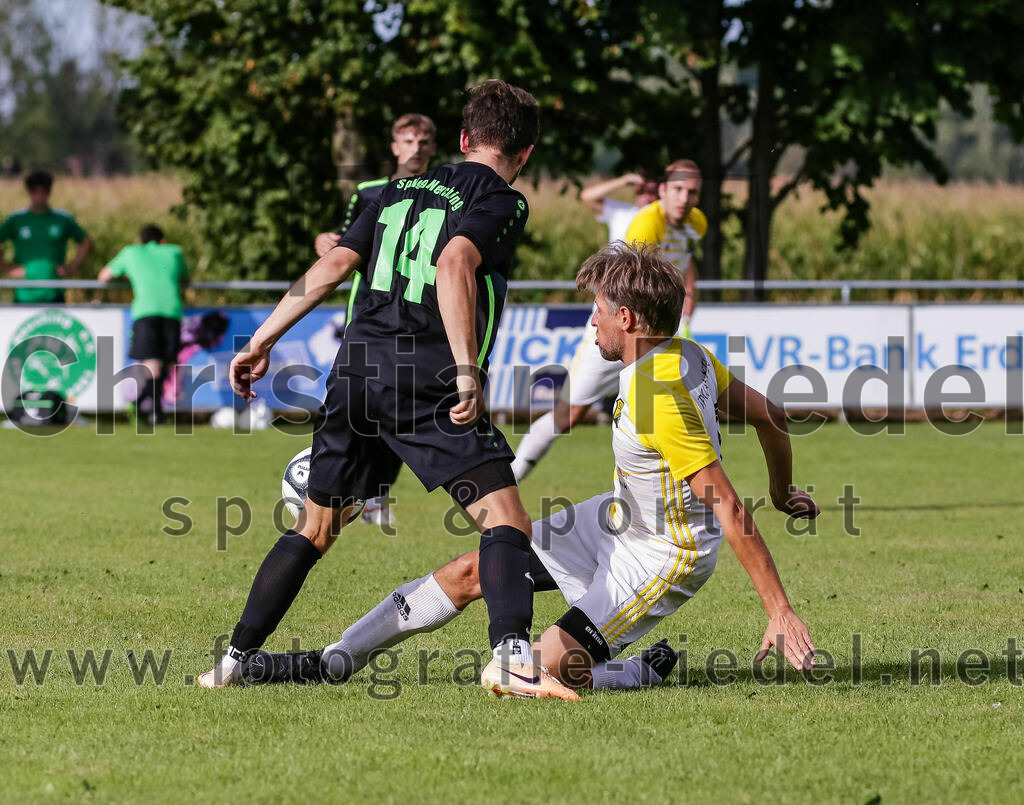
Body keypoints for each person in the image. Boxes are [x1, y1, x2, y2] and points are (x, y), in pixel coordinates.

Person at [246, 243, 819, 693]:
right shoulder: (688, 354)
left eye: (597, 309)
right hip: (616, 520)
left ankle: (636, 672)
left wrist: (779, 609)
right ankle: (334, 662)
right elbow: (770, 415)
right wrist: (784, 487)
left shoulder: (655, 397)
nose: (590, 322)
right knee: (472, 571)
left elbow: (725, 503)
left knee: (536, 670)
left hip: (663, 555)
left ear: (626, 316)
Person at [199, 79, 577, 700]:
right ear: (527, 153)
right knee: (504, 520)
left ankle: (235, 660)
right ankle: (512, 658)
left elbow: (333, 266)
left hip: (354, 372)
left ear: (461, 138)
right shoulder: (503, 200)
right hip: (421, 379)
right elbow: (455, 262)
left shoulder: (397, 188)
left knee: (314, 528)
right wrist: (465, 368)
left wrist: (261, 339)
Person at [511, 159, 706, 482]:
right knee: (569, 414)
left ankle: (678, 492)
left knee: (671, 412)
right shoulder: (645, 225)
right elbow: (634, 291)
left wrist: (689, 293)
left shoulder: (696, 222)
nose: (685, 198)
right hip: (618, 329)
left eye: (692, 192)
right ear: (663, 191)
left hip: (654, 334)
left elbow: (684, 260)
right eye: (678, 190)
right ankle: (510, 477)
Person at [314, 113, 438, 526]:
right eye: (408, 140)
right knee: (351, 408)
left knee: (398, 407)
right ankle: (328, 493)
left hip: (419, 318)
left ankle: (375, 497)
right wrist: (324, 242)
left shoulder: (447, 193)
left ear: (433, 147)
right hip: (368, 312)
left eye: (423, 141)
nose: (416, 147)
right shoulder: (369, 192)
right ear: (394, 146)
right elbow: (346, 244)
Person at [98, 224, 189, 425]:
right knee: (166, 364)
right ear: (162, 240)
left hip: (145, 311)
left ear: (141, 240)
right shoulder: (174, 251)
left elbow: (104, 276)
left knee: (153, 366)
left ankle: (139, 405)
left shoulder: (131, 252)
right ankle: (156, 414)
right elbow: (186, 277)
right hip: (171, 311)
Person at [0, 171, 93, 304]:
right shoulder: (16, 220)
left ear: (49, 192)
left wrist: (72, 267)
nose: (39, 195)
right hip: (25, 293)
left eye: (44, 191)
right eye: (34, 191)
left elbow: (86, 243)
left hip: (54, 292)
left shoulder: (62, 219)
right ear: (29, 192)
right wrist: (7, 268)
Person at [579, 171, 658, 244]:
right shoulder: (621, 210)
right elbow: (586, 197)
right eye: (640, 192)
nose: (646, 197)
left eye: (651, 192)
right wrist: (623, 180)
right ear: (635, 193)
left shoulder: (663, 215)